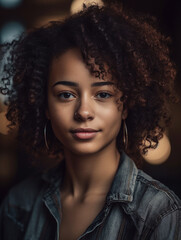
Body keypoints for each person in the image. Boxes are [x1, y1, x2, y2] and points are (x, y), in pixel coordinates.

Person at [0, 3, 181, 240]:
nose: (84, 112)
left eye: (103, 94)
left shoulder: (158, 213)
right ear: (44, 106)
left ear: (125, 106)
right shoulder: (18, 205)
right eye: (66, 95)